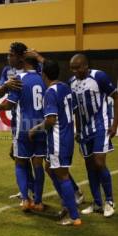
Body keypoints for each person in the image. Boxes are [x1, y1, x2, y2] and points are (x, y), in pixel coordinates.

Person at [0, 56, 46, 211]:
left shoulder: (18, 79)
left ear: (22, 61)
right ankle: (38, 201)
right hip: (41, 126)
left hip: (23, 126)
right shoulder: (42, 77)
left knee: (20, 162)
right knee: (38, 165)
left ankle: (25, 199)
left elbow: (9, 105)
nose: (9, 58)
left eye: (11, 55)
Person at [29, 59, 82, 226]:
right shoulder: (66, 87)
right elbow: (74, 111)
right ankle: (67, 205)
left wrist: (35, 128)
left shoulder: (50, 92)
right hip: (66, 137)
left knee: (62, 175)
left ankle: (73, 216)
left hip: (59, 139)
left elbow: (51, 120)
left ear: (44, 75)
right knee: (49, 168)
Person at [69, 54, 117, 217]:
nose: (75, 71)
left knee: (99, 161)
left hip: (101, 125)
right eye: (73, 68)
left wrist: (115, 124)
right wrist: (77, 130)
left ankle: (109, 201)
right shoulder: (72, 83)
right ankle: (97, 203)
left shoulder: (99, 76)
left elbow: (116, 97)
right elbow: (75, 109)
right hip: (84, 130)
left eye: (78, 67)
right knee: (89, 165)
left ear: (86, 65)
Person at [0, 42, 36, 201]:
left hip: (34, 119)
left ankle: (73, 191)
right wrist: (6, 85)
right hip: (17, 120)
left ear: (21, 57)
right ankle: (27, 190)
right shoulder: (7, 71)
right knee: (17, 155)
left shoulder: (34, 70)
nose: (8, 58)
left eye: (11, 55)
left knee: (43, 161)